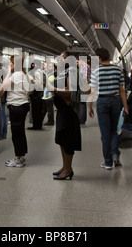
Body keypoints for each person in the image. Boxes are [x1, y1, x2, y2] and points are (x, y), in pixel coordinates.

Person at [88, 48, 128, 170]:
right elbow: (122, 90)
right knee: (114, 130)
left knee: (105, 134)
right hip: (115, 101)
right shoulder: (118, 70)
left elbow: (93, 91)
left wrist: (89, 106)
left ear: (99, 58)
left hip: (103, 102)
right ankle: (115, 154)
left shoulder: (96, 71)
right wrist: (125, 107)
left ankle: (108, 162)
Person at [49, 51, 82, 180]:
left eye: (64, 57)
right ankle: (65, 167)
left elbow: (70, 92)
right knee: (62, 139)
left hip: (69, 111)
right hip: (62, 110)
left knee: (67, 140)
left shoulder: (72, 71)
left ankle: (68, 169)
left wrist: (55, 89)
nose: (61, 60)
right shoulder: (66, 72)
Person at [3, 55, 30, 167]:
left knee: (16, 133)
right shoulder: (24, 74)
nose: (10, 65)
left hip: (16, 106)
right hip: (22, 105)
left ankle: (18, 158)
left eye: (11, 63)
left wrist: (9, 72)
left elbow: (4, 86)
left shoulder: (17, 75)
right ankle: (21, 156)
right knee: (20, 132)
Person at [28, 60, 44, 130]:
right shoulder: (41, 72)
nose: (33, 66)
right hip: (40, 94)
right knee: (38, 111)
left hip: (37, 94)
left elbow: (37, 85)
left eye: (34, 64)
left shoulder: (37, 73)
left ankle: (36, 126)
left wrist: (32, 83)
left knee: (36, 111)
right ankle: (38, 125)